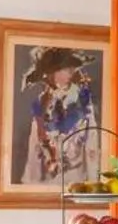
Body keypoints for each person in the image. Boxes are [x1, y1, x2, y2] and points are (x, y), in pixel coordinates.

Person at [18, 46, 100, 186]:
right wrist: (31, 187)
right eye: (65, 68)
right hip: (49, 185)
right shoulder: (42, 104)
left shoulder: (83, 103)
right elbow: (35, 151)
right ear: (52, 72)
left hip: (77, 183)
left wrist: (93, 184)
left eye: (72, 68)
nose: (71, 72)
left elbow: (91, 145)